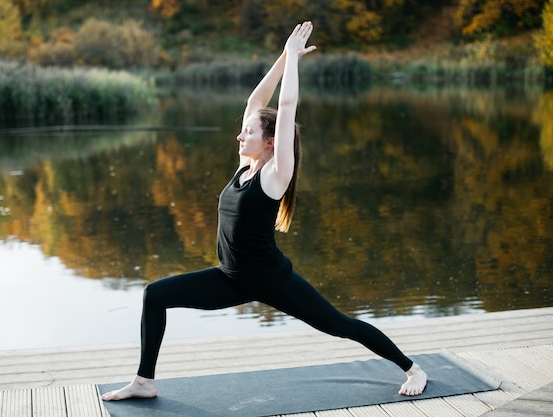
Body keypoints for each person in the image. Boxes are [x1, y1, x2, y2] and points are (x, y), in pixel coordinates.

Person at [101, 21, 427, 401]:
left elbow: (285, 107)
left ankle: (412, 368)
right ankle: (144, 381)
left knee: (340, 325)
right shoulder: (244, 165)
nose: (240, 135)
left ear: (271, 142)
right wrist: (284, 57)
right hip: (230, 277)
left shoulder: (276, 174)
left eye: (249, 133)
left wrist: (294, 60)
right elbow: (257, 102)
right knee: (154, 295)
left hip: (272, 279)